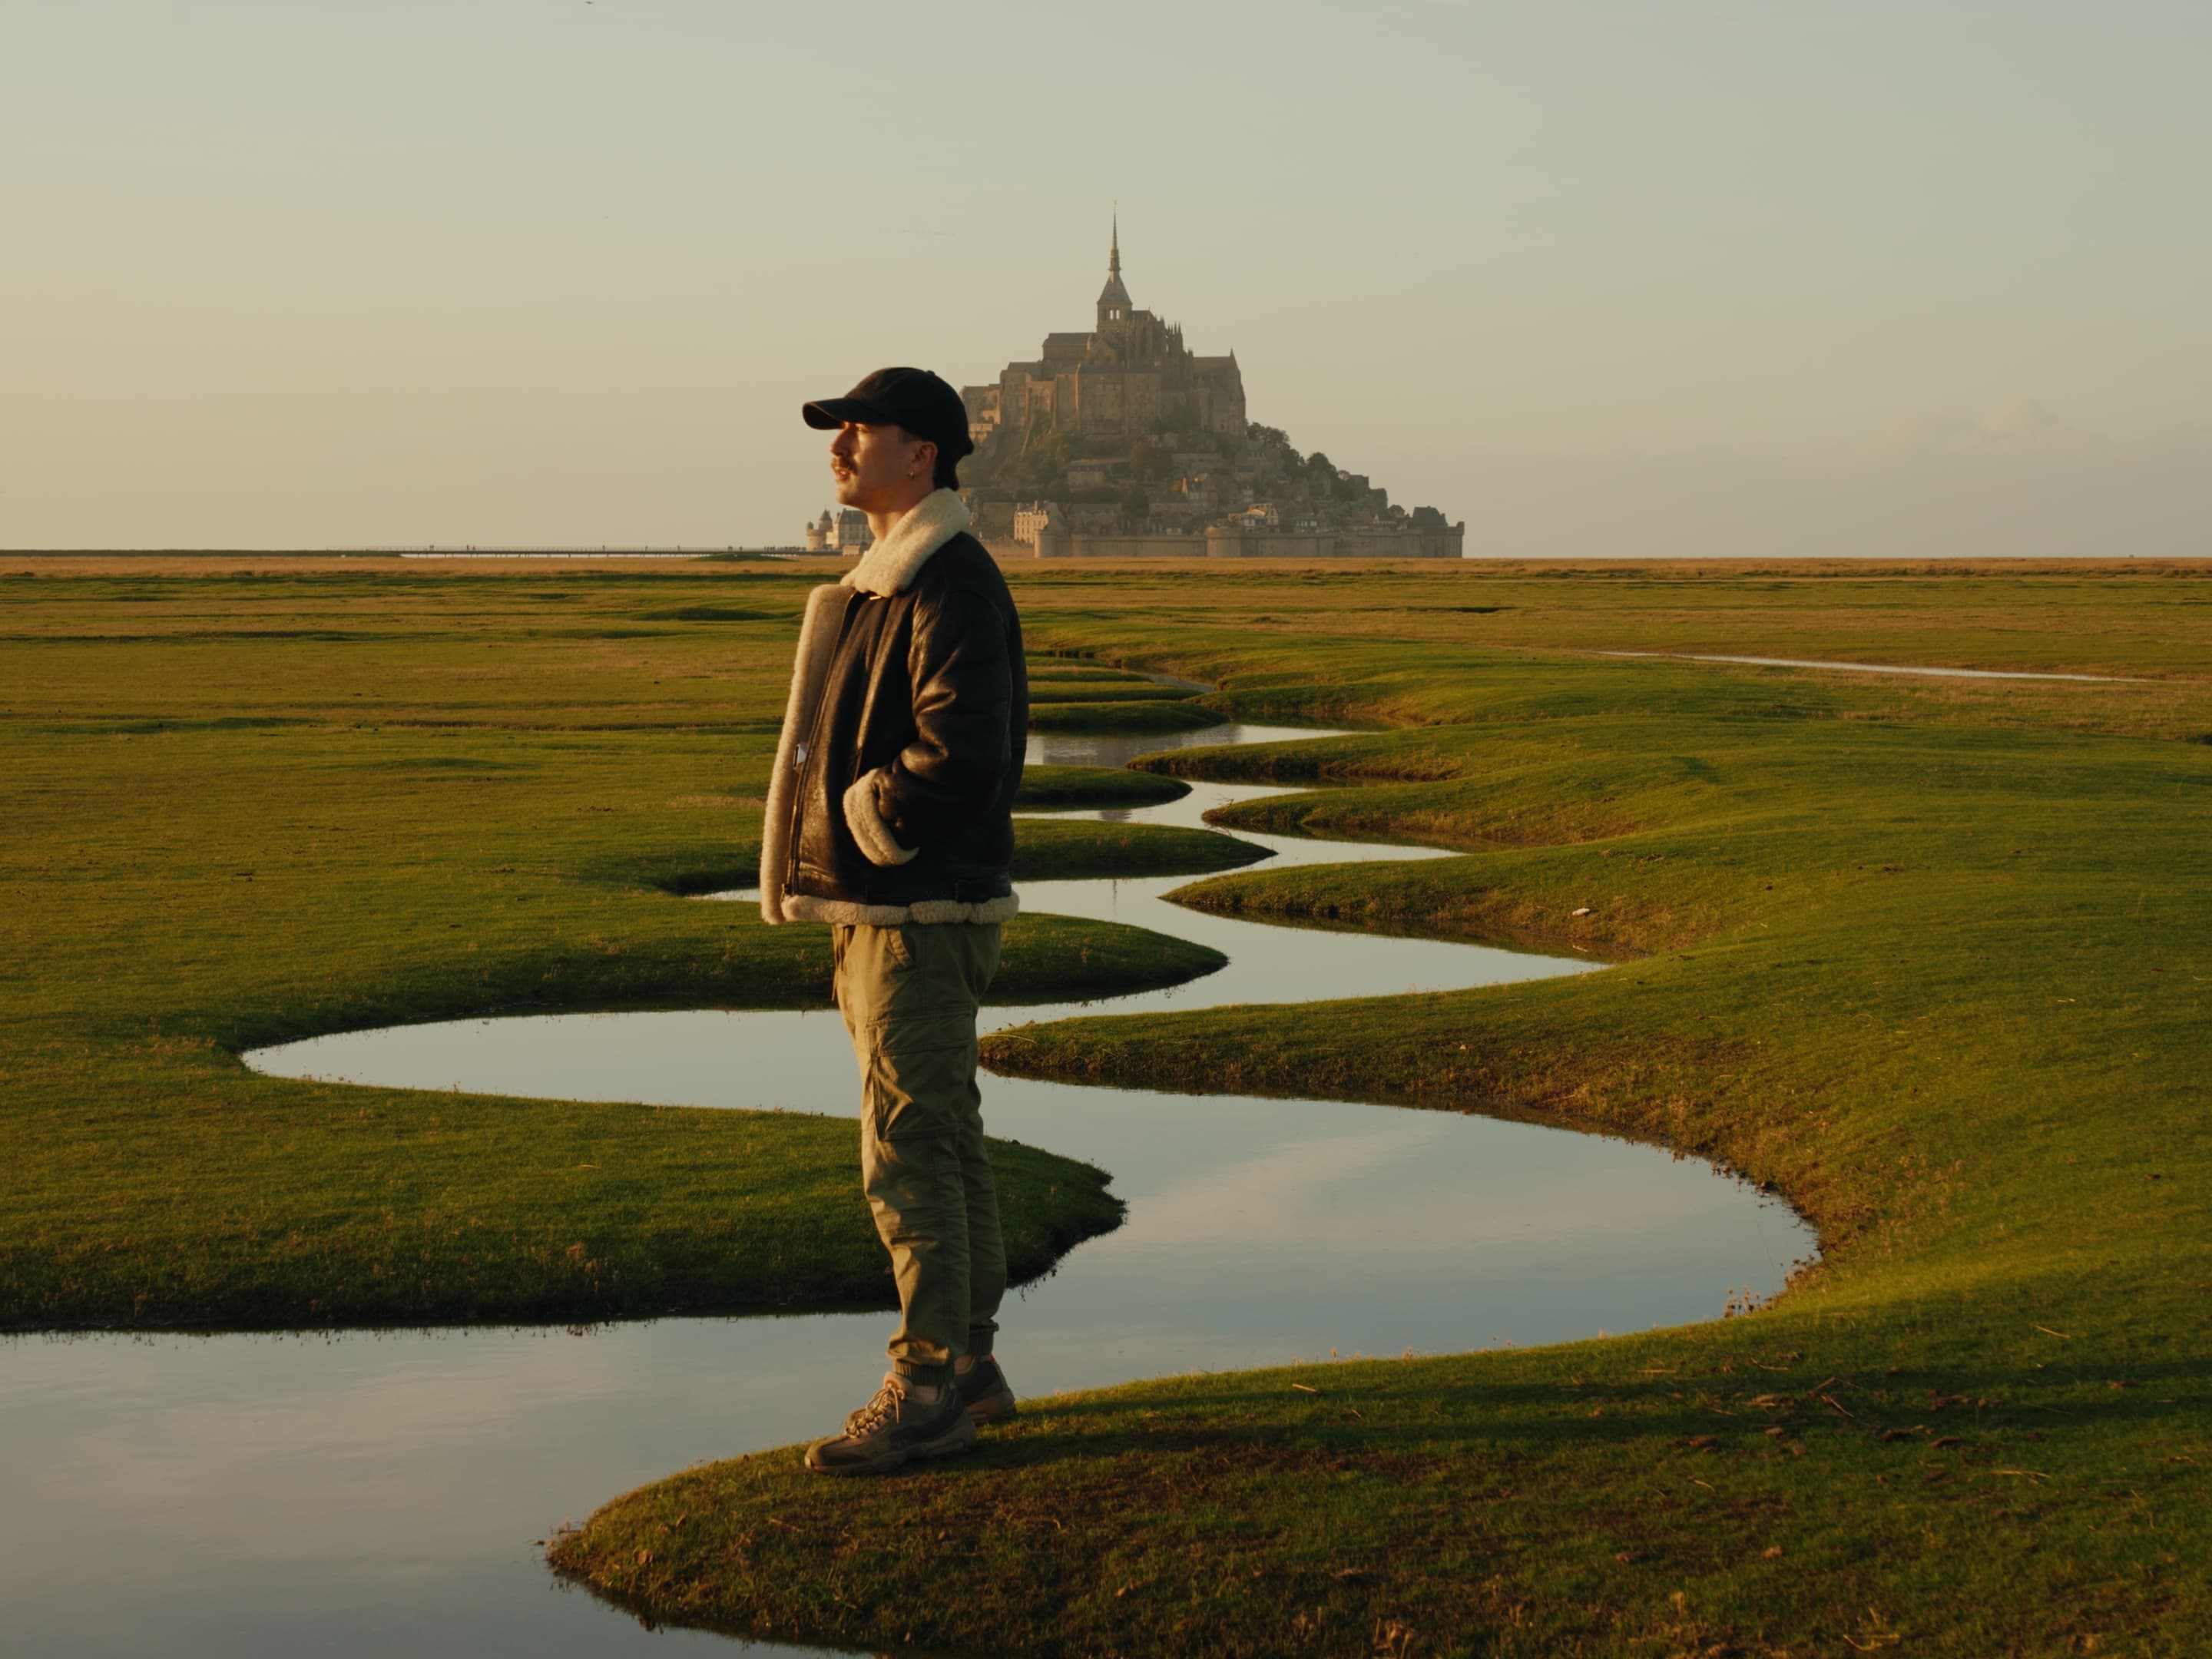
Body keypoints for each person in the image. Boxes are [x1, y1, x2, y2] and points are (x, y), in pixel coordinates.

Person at [757, 366, 1029, 1475]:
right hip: (902, 902)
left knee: (907, 1149)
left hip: (912, 904)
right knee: (944, 1136)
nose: (842, 445)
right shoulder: (903, 575)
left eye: (861, 429)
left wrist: (872, 826)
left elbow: (959, 745)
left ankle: (924, 1389)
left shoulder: (946, 580)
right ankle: (967, 1369)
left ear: (923, 453)